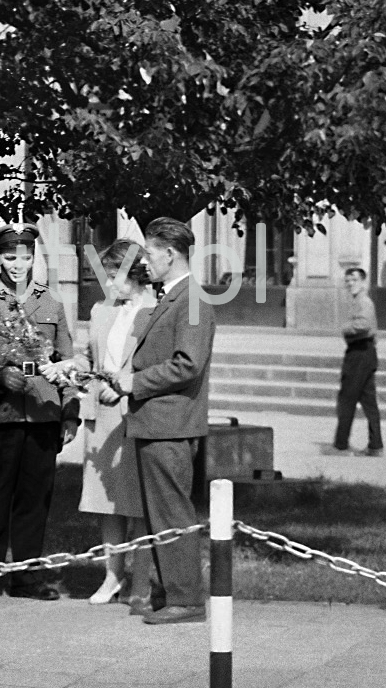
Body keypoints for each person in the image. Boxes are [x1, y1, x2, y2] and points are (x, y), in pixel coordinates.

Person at [0, 222, 79, 602]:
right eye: (10, 256)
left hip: (44, 411)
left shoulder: (50, 303)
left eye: (26, 256)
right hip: (4, 414)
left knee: (35, 497)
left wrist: (70, 412)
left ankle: (27, 576)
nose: (18, 263)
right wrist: (1, 375)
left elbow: (66, 362)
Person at [114, 216, 214, 625]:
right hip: (158, 422)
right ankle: (170, 591)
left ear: (170, 254)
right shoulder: (174, 296)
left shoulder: (191, 299)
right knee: (161, 513)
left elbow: (187, 365)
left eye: (151, 254)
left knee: (172, 513)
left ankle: (186, 600)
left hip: (170, 425)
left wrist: (133, 381)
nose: (145, 262)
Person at [72, 238, 154, 606]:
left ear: (134, 273)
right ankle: (111, 575)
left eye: (113, 276)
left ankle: (142, 579)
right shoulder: (101, 310)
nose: (108, 284)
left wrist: (123, 388)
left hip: (136, 413)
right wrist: (71, 374)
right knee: (106, 503)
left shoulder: (156, 311)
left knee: (137, 502)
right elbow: (87, 363)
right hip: (102, 415)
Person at [332, 267, 383, 456]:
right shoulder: (359, 302)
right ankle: (375, 445)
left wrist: (346, 328)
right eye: (347, 281)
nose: (350, 284)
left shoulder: (364, 302)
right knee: (369, 401)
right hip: (365, 353)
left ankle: (341, 445)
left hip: (359, 353)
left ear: (363, 282)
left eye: (354, 280)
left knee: (346, 399)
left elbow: (364, 325)